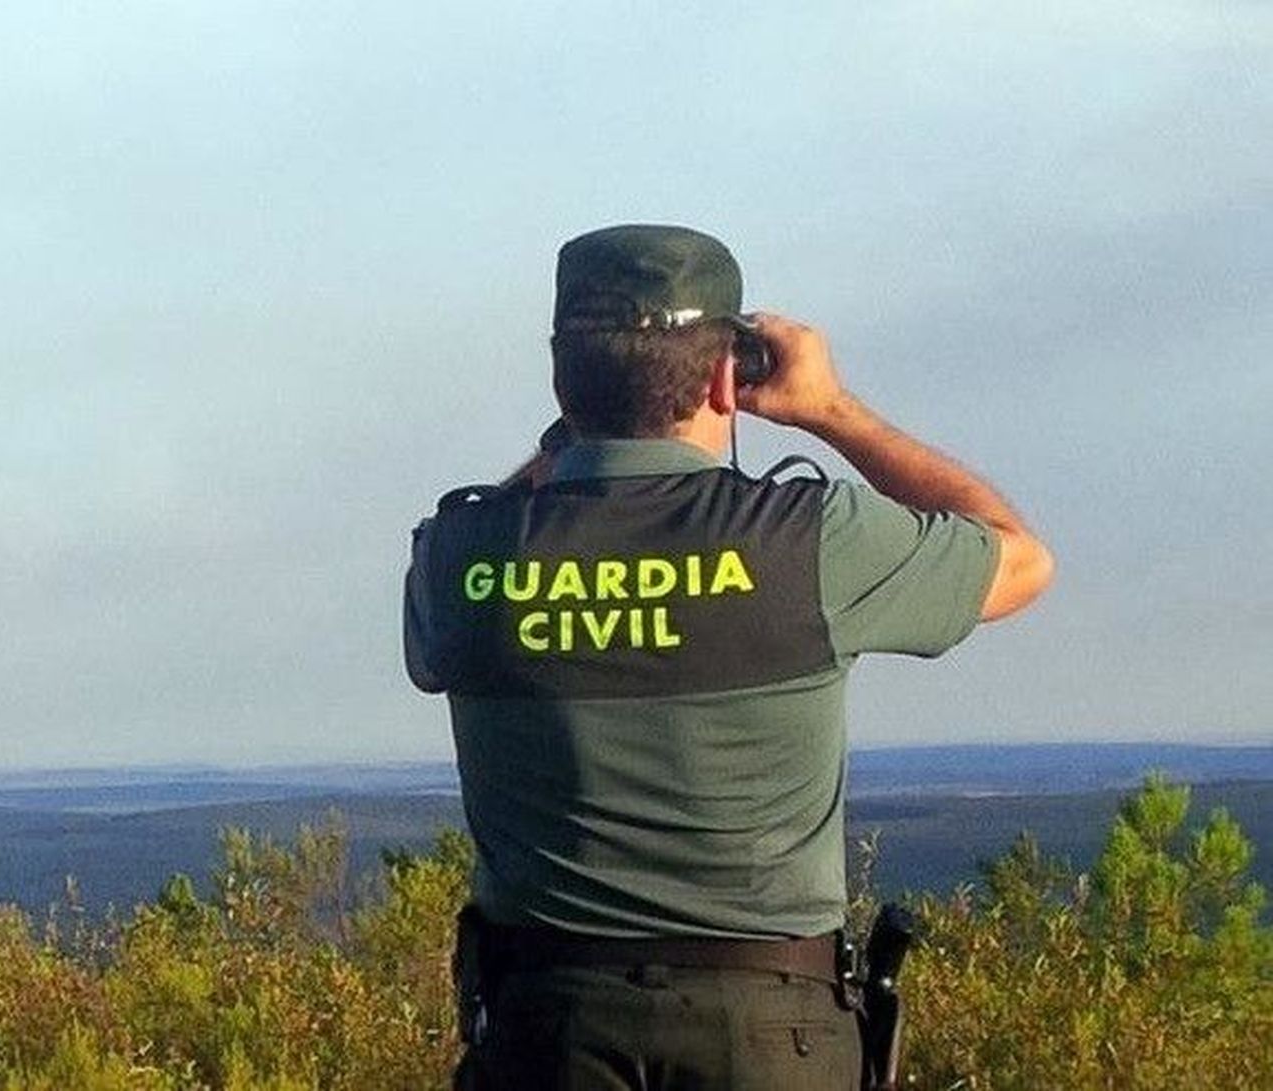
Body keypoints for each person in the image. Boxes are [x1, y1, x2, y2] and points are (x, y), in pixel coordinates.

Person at [402, 224, 1053, 1090]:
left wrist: (579, 434)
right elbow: (1020, 559)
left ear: (562, 380)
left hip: (544, 1027)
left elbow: (491, 550)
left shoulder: (459, 561)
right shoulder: (808, 541)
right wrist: (832, 409)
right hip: (772, 1031)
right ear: (724, 378)